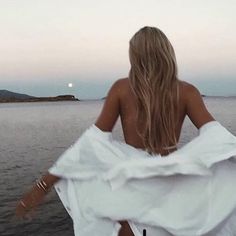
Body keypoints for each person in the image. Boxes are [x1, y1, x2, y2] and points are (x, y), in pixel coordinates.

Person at [15, 26, 215, 236]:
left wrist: (42, 186)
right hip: (169, 182)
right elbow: (216, 138)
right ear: (167, 52)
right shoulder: (187, 92)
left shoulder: (121, 89)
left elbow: (88, 144)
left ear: (135, 56)